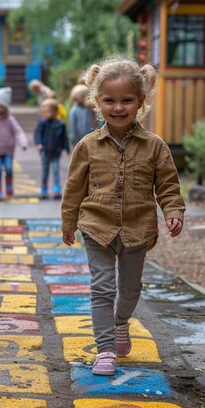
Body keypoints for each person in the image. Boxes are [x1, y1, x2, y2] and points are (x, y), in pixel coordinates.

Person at [61, 56, 185, 376]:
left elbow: (168, 185)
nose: (118, 108)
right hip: (96, 227)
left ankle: (120, 323)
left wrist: (173, 210)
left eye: (126, 100)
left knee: (130, 289)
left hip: (137, 229)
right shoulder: (87, 146)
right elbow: (74, 188)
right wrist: (68, 222)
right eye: (110, 101)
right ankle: (105, 350)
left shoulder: (155, 146)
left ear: (140, 101)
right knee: (102, 286)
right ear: (97, 102)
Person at [34, 97, 70, 199]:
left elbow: (64, 137)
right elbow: (38, 134)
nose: (44, 114)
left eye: (47, 112)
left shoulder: (60, 124)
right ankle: (44, 190)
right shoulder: (42, 123)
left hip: (56, 152)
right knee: (45, 172)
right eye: (43, 112)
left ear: (54, 112)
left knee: (56, 171)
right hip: (45, 152)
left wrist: (66, 148)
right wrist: (39, 143)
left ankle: (57, 190)